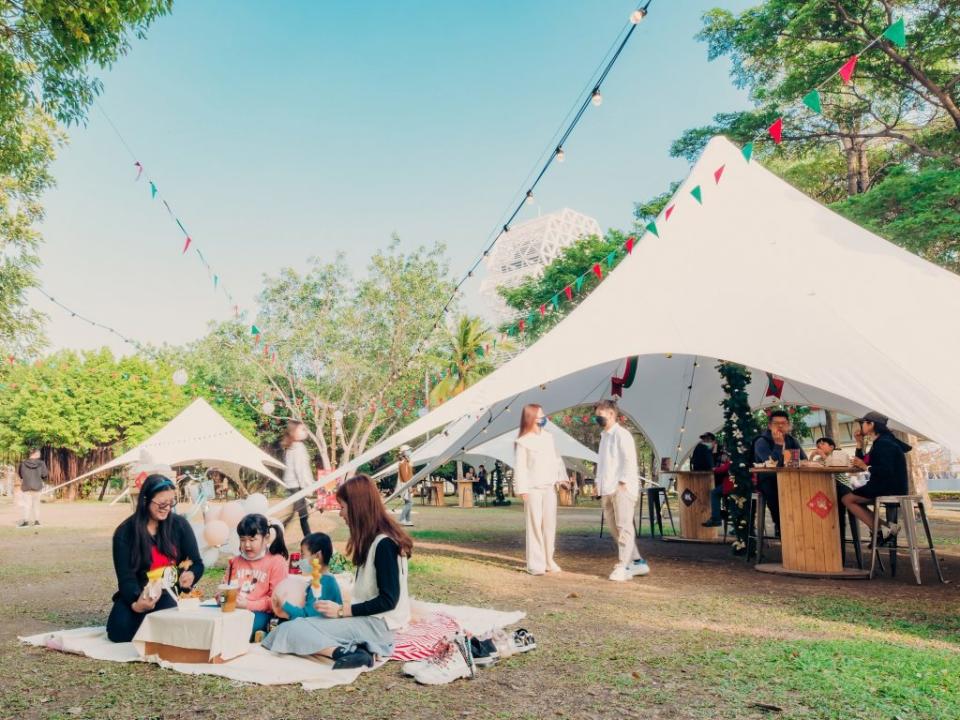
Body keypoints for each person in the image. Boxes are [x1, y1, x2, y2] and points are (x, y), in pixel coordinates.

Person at [262, 474, 413, 670]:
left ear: (357, 507)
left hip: (379, 627)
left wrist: (342, 611)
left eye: (342, 507)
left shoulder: (384, 545)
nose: (340, 514)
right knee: (297, 626)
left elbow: (388, 600)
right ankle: (355, 652)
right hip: (369, 622)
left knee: (289, 630)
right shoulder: (375, 541)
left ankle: (344, 652)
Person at [106, 475, 204, 642]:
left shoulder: (180, 526)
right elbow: (126, 579)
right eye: (161, 504)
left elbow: (197, 563)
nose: (167, 508)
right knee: (118, 632)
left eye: (171, 503)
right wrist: (136, 604)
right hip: (139, 592)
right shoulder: (125, 533)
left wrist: (192, 574)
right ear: (145, 500)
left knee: (166, 626)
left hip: (169, 593)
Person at [594, 399, 650, 581]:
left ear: (611, 413)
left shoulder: (621, 434)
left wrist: (623, 482)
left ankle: (623, 566)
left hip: (622, 488)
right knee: (614, 528)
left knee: (624, 527)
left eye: (600, 412)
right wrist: (598, 484)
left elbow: (629, 460)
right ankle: (637, 562)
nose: (597, 416)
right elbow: (602, 464)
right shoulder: (604, 437)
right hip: (607, 488)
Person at [840, 412, 910, 544]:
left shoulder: (884, 443)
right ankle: (884, 530)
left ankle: (883, 530)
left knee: (847, 499)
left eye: (862, 423)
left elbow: (885, 470)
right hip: (886, 485)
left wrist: (866, 467)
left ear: (871, 424)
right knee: (851, 498)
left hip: (888, 487)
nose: (860, 427)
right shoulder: (883, 441)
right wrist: (859, 444)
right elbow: (863, 461)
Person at [514, 403, 566, 576]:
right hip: (533, 488)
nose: (543, 418)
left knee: (549, 525)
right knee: (535, 525)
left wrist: (562, 477)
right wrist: (523, 490)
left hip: (549, 487)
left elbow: (557, 459)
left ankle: (548, 560)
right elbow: (520, 467)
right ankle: (536, 563)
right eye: (540, 415)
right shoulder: (523, 441)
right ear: (531, 418)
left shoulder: (549, 437)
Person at [226, 513, 289, 638]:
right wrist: (222, 596)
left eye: (252, 539)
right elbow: (226, 587)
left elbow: (277, 602)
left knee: (235, 630)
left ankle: (264, 634)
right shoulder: (235, 561)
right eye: (243, 540)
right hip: (233, 611)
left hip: (261, 614)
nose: (247, 545)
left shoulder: (276, 562)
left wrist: (248, 605)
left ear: (266, 538)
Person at [753, 410, 807, 534]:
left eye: (784, 423)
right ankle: (782, 527)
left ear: (788, 425)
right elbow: (771, 464)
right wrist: (778, 445)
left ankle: (801, 526)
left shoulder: (791, 440)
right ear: (769, 425)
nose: (781, 426)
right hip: (769, 479)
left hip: (791, 478)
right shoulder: (761, 441)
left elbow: (803, 459)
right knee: (776, 493)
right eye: (776, 423)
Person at [273, 532, 342, 619]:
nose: (301, 559)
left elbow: (307, 616)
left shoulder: (322, 583)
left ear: (317, 556)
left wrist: (284, 603)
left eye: (303, 555)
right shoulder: (325, 579)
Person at [280, 420, 313, 537]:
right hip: (296, 486)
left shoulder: (293, 446)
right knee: (302, 515)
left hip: (294, 486)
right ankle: (309, 538)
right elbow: (300, 470)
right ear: (293, 432)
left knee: (300, 515)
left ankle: (308, 537)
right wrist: (307, 487)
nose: (305, 432)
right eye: (302, 429)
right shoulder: (298, 447)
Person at [16, 449, 48, 528]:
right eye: (39, 453)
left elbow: (20, 475)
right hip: (37, 487)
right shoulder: (41, 463)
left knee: (27, 505)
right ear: (35, 454)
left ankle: (26, 522)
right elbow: (45, 474)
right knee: (36, 505)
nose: (40, 454)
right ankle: (37, 522)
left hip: (26, 487)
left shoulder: (23, 463)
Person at [702, 448, 732, 528]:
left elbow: (723, 469)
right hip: (733, 484)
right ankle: (722, 513)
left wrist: (714, 469)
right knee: (718, 493)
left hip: (731, 485)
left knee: (714, 493)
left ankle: (716, 518)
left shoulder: (731, 461)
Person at [397, 445, 415, 527]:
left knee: (408, 502)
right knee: (410, 503)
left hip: (407, 484)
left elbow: (409, 475)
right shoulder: (403, 463)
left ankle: (407, 520)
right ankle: (401, 519)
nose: (410, 452)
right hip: (405, 485)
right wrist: (409, 486)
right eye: (408, 450)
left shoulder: (407, 462)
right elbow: (405, 477)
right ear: (404, 452)